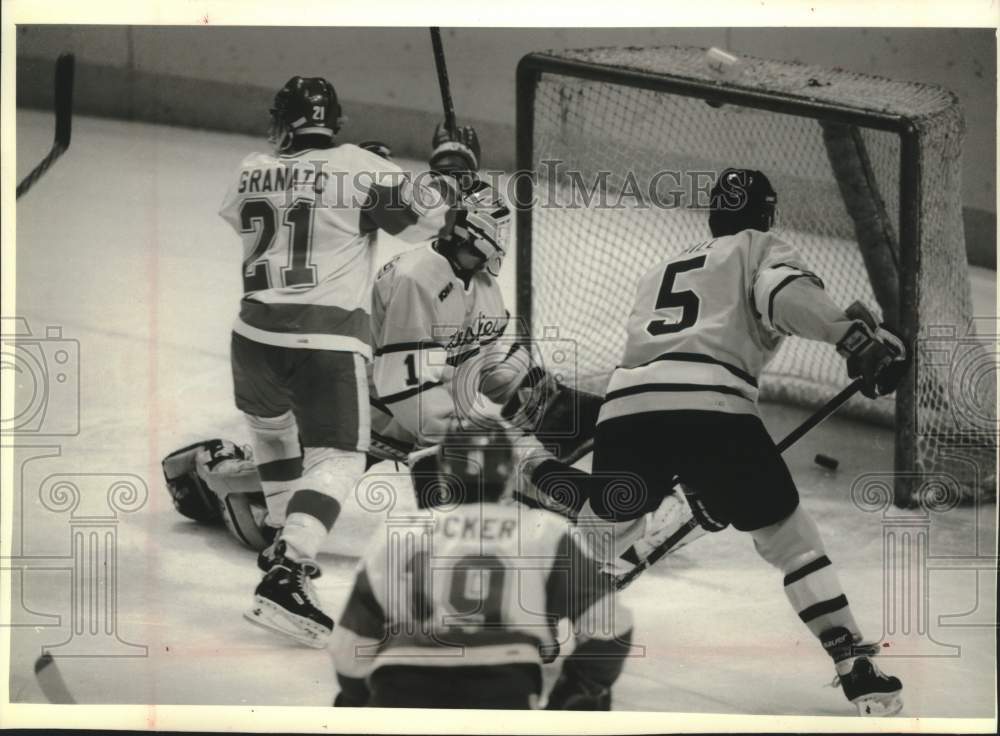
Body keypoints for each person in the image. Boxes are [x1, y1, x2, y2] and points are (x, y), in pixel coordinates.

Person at [520, 168, 908, 716]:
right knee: (789, 539)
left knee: (604, 530)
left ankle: (530, 623)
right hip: (712, 409)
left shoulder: (661, 268)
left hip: (626, 409)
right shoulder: (758, 248)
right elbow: (785, 294)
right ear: (766, 214)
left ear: (713, 213)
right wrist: (850, 338)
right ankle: (852, 662)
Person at [216, 74, 480, 648]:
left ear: (284, 120)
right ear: (334, 121)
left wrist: (353, 175)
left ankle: (284, 546)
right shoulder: (361, 166)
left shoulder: (249, 168)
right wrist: (451, 169)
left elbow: (284, 204)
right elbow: (425, 220)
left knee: (274, 436)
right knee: (337, 458)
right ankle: (287, 573)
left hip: (253, 336)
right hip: (325, 341)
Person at [329, 419, 634, 709]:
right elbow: (611, 627)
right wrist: (576, 693)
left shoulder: (399, 532)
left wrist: (357, 700)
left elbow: (349, 645)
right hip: (503, 688)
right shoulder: (546, 530)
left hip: (401, 685)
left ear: (443, 474)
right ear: (508, 474)